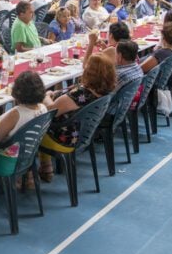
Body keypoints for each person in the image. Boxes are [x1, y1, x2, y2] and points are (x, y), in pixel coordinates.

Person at [38, 53, 116, 181]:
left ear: (89, 72)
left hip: (64, 138)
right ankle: (46, 167)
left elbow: (50, 111)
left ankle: (28, 176)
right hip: (83, 134)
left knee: (29, 124)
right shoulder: (104, 92)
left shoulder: (80, 95)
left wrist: (46, 95)